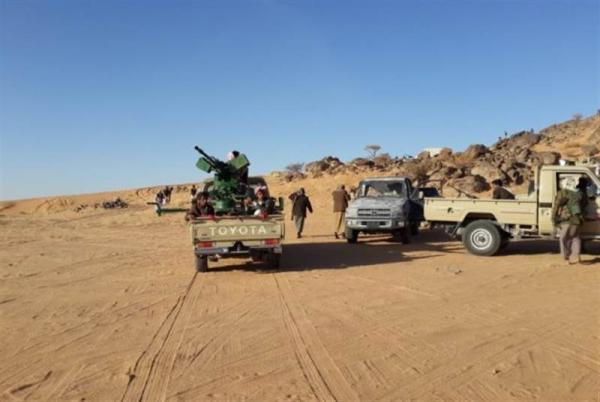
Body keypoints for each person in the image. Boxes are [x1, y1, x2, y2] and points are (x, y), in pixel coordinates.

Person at [552, 176, 588, 264]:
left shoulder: (562, 192)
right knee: (575, 237)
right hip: (577, 219)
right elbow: (584, 204)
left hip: (566, 219)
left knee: (564, 238)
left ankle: (566, 259)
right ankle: (577, 257)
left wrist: (554, 218)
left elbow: (556, 206)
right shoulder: (580, 193)